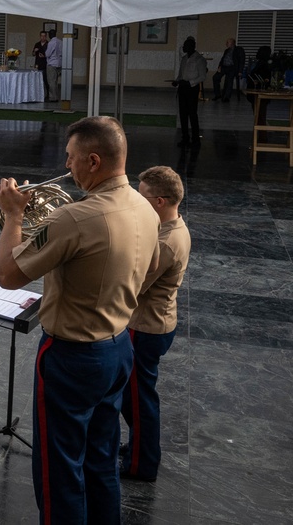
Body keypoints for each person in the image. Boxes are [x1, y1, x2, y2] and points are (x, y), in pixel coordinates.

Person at [0, 116, 160, 525]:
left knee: (59, 470)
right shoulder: (145, 206)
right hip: (119, 347)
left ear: (92, 160)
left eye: (70, 158)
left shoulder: (76, 217)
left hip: (71, 356)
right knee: (101, 461)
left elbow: (8, 276)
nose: (66, 166)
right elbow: (150, 268)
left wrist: (13, 216)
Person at [121, 165, 191, 483]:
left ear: (160, 201)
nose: (136, 198)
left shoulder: (167, 241)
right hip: (153, 322)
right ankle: (140, 447)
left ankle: (141, 463)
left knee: (138, 399)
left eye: (142, 194)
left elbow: (135, 284)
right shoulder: (170, 227)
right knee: (133, 395)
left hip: (146, 326)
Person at [174, 36, 207, 148]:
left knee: (192, 114)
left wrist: (190, 82)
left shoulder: (199, 59)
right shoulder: (184, 59)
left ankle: (195, 139)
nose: (184, 47)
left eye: (186, 45)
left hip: (192, 89)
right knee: (183, 114)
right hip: (183, 88)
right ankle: (185, 138)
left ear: (192, 46)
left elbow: (202, 76)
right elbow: (180, 74)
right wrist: (177, 81)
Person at [212, 37, 245, 102]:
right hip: (224, 67)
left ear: (232, 43)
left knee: (229, 80)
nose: (226, 43)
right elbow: (222, 59)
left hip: (232, 68)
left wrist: (240, 71)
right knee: (215, 77)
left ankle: (227, 97)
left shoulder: (239, 50)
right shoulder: (226, 50)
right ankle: (217, 94)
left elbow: (242, 60)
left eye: (228, 42)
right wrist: (219, 66)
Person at [45, 28, 61, 102]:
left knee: (51, 81)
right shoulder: (60, 42)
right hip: (59, 63)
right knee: (55, 81)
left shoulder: (51, 43)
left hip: (52, 63)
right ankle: (56, 96)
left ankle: (53, 97)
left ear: (49, 35)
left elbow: (47, 54)